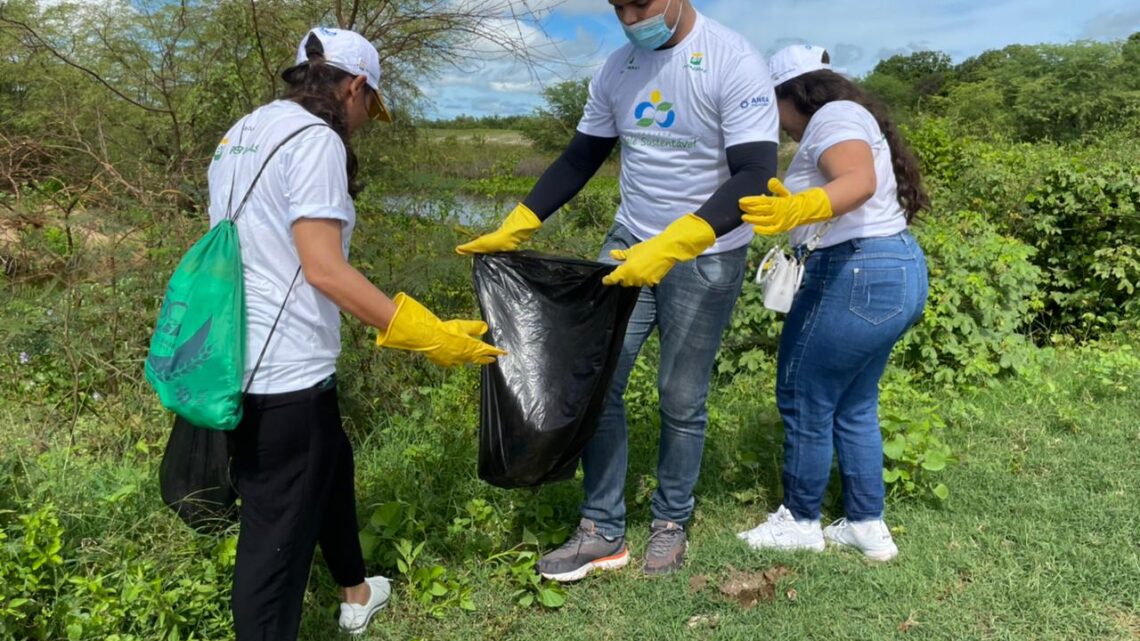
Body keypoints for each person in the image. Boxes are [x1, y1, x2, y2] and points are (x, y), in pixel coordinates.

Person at [456, 0, 779, 578]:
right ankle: (603, 528)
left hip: (706, 253)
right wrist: (522, 218)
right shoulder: (616, 70)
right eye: (619, 6)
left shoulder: (734, 60)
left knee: (681, 397)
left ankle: (670, 522)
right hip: (629, 242)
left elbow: (754, 173)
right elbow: (582, 155)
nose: (631, 18)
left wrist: (682, 239)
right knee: (596, 381)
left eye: (641, 3)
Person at [209, 27, 503, 640]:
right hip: (285, 372)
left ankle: (357, 591)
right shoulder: (316, 141)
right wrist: (427, 334)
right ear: (356, 86)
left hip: (233, 356)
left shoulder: (243, 131)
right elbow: (323, 268)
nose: (367, 118)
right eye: (370, 104)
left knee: (330, 462)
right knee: (272, 550)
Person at [734, 45, 930, 562]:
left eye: (770, 108)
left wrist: (804, 205)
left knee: (804, 395)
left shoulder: (834, 116)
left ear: (792, 93)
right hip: (890, 269)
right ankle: (866, 524)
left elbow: (858, 183)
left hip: (856, 271)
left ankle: (800, 520)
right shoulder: (850, 115)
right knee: (855, 402)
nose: (777, 124)